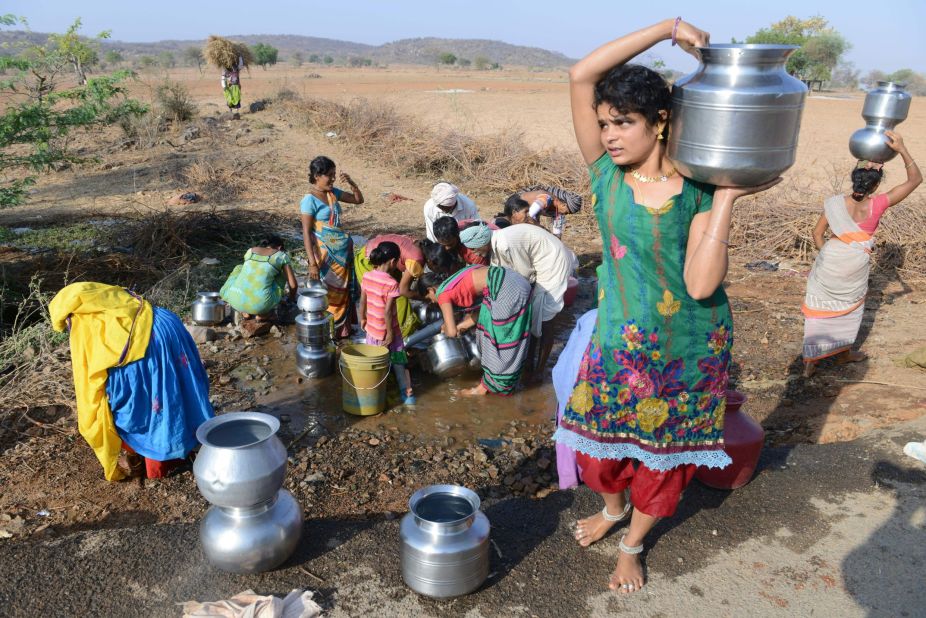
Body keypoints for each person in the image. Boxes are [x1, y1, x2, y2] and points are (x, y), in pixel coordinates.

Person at [553, 19, 781, 595]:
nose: (608, 134)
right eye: (604, 123)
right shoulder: (604, 174)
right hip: (618, 341)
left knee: (664, 459)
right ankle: (610, 509)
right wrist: (666, 29)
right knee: (598, 454)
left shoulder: (701, 189)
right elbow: (583, 75)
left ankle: (633, 543)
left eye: (623, 123)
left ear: (660, 123)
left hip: (688, 345)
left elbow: (702, 286)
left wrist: (726, 197)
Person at [49, 282, 213, 481]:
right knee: (179, 391)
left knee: (141, 407)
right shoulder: (113, 297)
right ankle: (194, 442)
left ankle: (157, 465)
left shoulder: (83, 322)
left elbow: (91, 379)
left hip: (145, 347)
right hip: (168, 324)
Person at [801, 132, 921, 377]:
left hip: (831, 258)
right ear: (875, 186)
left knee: (819, 307)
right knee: (851, 308)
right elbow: (915, 180)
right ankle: (844, 354)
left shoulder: (834, 203)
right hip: (856, 262)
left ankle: (809, 362)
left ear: (853, 179)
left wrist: (829, 255)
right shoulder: (878, 204)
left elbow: (816, 234)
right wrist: (902, 149)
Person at [418, 262, 533, 396]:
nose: (432, 302)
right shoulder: (453, 280)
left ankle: (489, 388)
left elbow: (451, 332)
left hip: (507, 290)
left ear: (431, 290)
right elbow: (482, 310)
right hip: (516, 282)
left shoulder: (442, 293)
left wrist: (446, 329)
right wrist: (461, 325)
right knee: (501, 333)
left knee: (498, 341)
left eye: (429, 299)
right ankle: (497, 383)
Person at [489, 223, 576, 376]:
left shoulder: (505, 245)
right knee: (533, 316)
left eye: (475, 250)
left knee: (545, 320)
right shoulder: (495, 244)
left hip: (552, 265)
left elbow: (523, 276)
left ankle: (540, 371)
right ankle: (528, 363)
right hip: (540, 263)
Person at [300, 156, 364, 339]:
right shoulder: (309, 200)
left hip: (342, 254)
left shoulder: (333, 193)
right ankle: (328, 331)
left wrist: (352, 183)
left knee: (343, 292)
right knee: (329, 292)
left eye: (334, 175)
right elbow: (306, 233)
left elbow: (358, 200)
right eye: (329, 175)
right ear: (316, 176)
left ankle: (342, 331)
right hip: (325, 255)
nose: (333, 179)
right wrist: (312, 263)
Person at [358, 242, 416, 405]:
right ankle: (407, 394)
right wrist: (390, 334)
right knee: (399, 360)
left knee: (376, 363)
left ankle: (374, 395)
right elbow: (387, 312)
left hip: (372, 330)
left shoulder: (367, 276)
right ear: (392, 261)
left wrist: (362, 318)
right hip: (391, 332)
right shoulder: (391, 283)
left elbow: (362, 301)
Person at [220, 234, 298, 321]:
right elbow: (293, 285)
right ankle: (263, 314)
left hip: (234, 300)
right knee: (281, 275)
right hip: (260, 305)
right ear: (279, 248)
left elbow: (250, 276)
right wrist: (291, 299)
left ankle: (244, 311)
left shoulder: (250, 251)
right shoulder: (281, 256)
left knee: (239, 268)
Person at [511, 185, 583, 238]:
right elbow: (528, 217)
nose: (565, 214)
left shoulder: (558, 212)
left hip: (524, 217)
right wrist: (545, 231)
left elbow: (557, 236)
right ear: (563, 205)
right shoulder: (546, 198)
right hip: (514, 207)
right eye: (567, 212)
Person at [222, 54, 245, 119]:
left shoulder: (236, 68)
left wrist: (240, 57)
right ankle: (230, 111)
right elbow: (223, 78)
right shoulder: (225, 69)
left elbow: (241, 65)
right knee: (229, 98)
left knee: (237, 97)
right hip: (229, 86)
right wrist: (224, 86)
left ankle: (236, 111)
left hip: (236, 86)